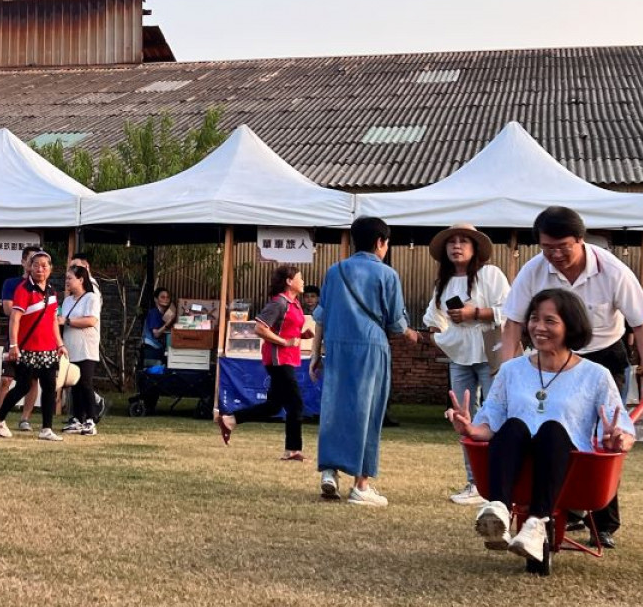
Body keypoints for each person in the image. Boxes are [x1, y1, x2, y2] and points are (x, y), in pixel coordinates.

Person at [500, 206, 643, 549]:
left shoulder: (612, 269)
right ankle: (555, 505)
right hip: (548, 356)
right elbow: (514, 321)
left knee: (603, 434)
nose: (555, 255)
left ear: (580, 239)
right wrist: (507, 368)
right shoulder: (534, 270)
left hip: (602, 355)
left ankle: (602, 520)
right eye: (547, 248)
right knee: (545, 424)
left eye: (563, 247)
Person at [446, 289, 635, 565]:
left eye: (550, 321)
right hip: (516, 460)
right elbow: (493, 419)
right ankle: (498, 508)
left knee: (551, 431)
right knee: (513, 426)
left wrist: (617, 439)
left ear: (570, 325)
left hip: (567, 464)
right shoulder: (511, 370)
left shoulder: (595, 375)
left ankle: (536, 522)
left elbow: (623, 428)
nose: (538, 327)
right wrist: (472, 429)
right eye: (534, 319)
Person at [308, 216, 419, 506]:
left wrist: (314, 354)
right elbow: (395, 322)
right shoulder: (387, 274)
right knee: (367, 412)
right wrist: (410, 332)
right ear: (381, 242)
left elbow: (320, 316)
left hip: (336, 347)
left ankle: (329, 472)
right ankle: (361, 484)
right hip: (371, 347)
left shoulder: (335, 272)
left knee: (334, 407)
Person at [421, 223, 510, 505]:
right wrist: (441, 335)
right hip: (459, 356)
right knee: (463, 417)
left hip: (490, 354)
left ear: (475, 249)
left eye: (463, 242)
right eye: (451, 242)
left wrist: (476, 313)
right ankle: (474, 482)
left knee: (495, 414)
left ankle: (498, 480)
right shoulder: (443, 284)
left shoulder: (490, 274)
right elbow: (432, 319)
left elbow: (509, 310)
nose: (456, 246)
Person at [215, 264, 313, 461]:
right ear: (289, 281)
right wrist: (285, 342)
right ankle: (292, 449)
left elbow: (284, 328)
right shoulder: (279, 303)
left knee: (274, 406)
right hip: (278, 359)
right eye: (299, 278)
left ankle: (230, 420)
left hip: (289, 358)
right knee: (296, 403)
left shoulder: (295, 303)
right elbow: (260, 329)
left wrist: (300, 335)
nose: (303, 281)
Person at [0, 249, 67, 441]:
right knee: (23, 386)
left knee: (49, 387)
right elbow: (15, 318)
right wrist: (14, 345)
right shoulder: (23, 289)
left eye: (44, 265)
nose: (40, 269)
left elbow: (53, 321)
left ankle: (46, 428)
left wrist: (60, 344)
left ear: (50, 269)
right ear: (29, 267)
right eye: (36, 265)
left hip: (48, 349)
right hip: (28, 348)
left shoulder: (52, 291)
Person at [0, 245, 40, 432]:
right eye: (32, 261)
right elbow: (8, 309)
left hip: (35, 340)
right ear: (23, 262)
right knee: (6, 379)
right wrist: (28, 313)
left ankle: (25, 418)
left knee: (33, 381)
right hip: (14, 338)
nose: (36, 266)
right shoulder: (11, 284)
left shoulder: (43, 288)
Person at [60, 264, 101, 435]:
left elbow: (91, 321)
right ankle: (77, 418)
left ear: (81, 279)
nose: (67, 281)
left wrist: (67, 322)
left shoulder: (91, 297)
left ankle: (91, 420)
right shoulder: (68, 300)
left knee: (85, 382)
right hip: (70, 347)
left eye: (70, 278)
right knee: (73, 384)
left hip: (86, 347)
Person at [142, 288, 175, 367]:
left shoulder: (162, 313)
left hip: (157, 348)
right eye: (162, 297)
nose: (166, 299)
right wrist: (168, 323)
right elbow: (156, 334)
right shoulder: (154, 313)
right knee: (153, 374)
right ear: (156, 299)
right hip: (151, 348)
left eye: (168, 297)